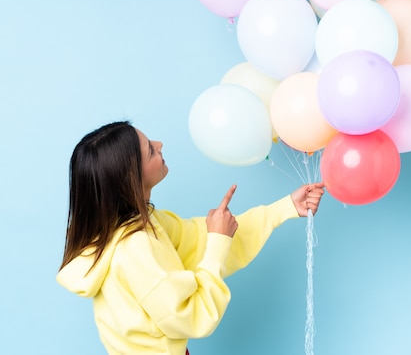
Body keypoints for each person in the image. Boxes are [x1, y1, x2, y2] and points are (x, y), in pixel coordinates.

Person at [56, 121, 325, 355]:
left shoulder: (137, 226)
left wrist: (285, 207)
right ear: (131, 177)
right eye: (150, 148)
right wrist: (219, 240)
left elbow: (201, 238)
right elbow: (193, 314)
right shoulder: (135, 247)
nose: (160, 144)